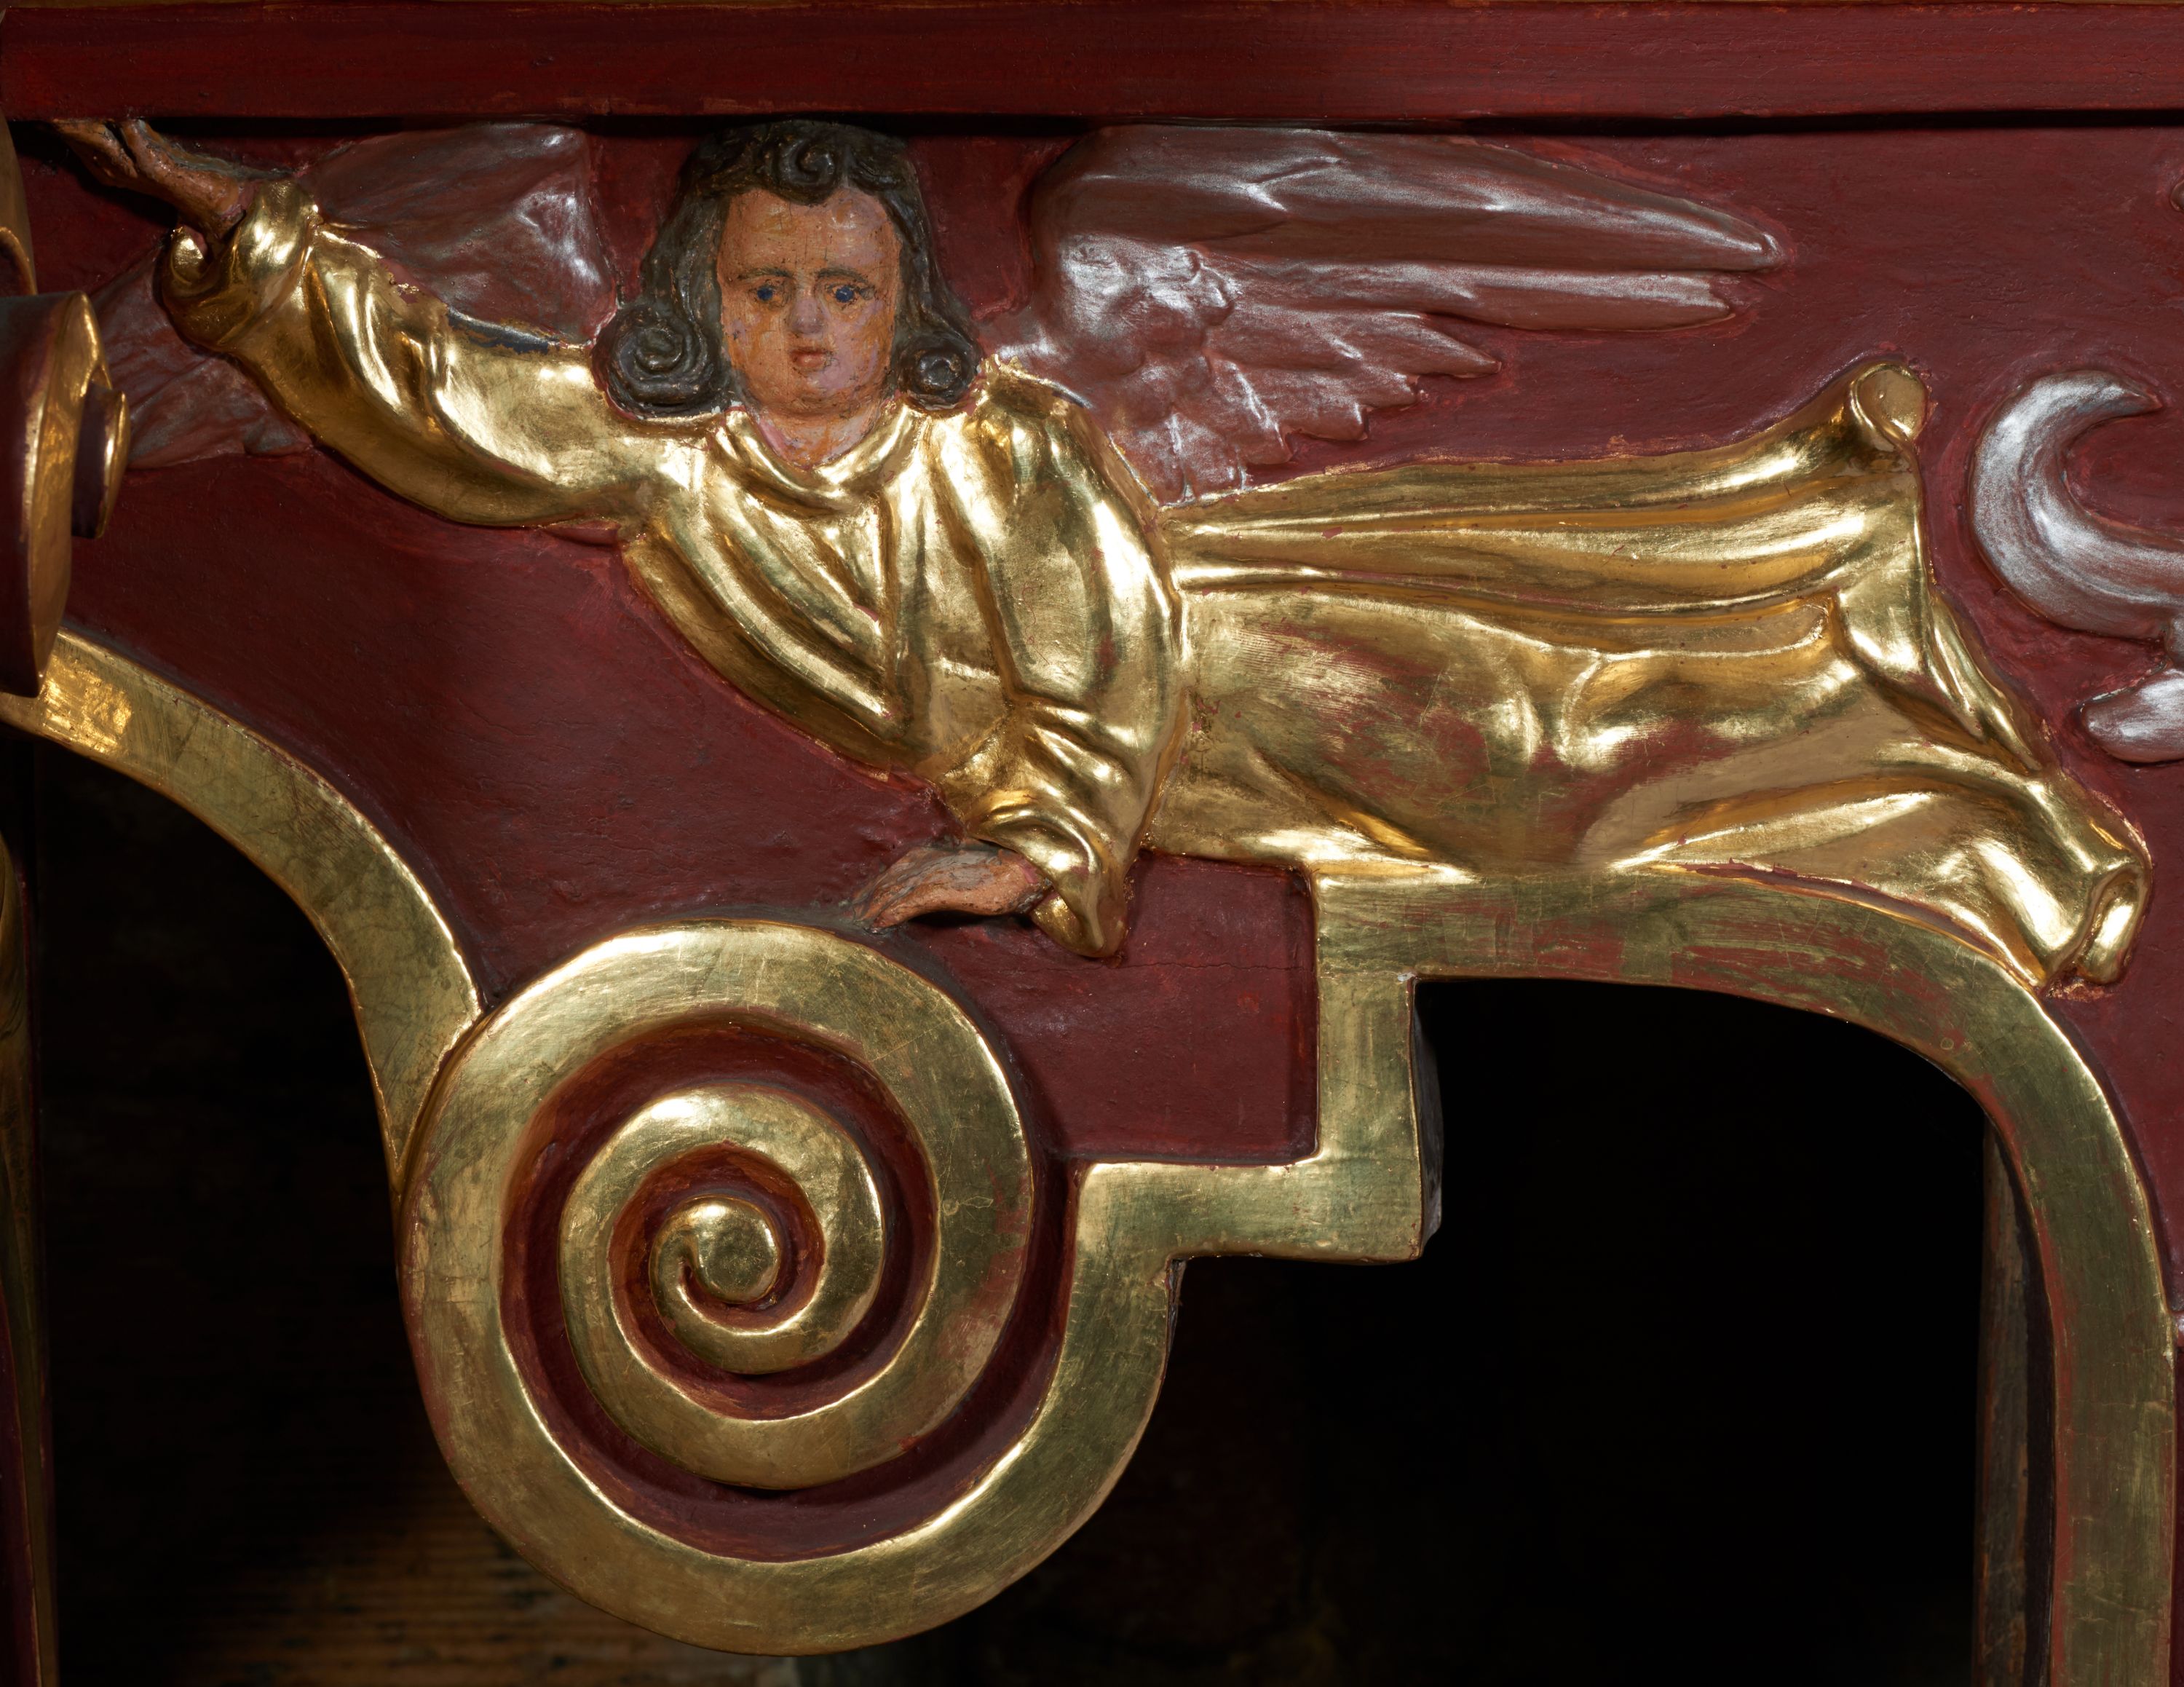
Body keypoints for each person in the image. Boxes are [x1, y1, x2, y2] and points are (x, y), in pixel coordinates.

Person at [57, 117, 2148, 984]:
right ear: (705, 302)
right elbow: (444, 400)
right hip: (1190, 766)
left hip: (1252, 674)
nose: (809, 330)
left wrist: (1041, 845)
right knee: (1573, 805)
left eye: (847, 292)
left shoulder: (1009, 448)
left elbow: (1095, 654)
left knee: (1561, 759)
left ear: (907, 304)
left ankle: (1937, 768)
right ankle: (1905, 750)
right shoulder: (665, 466)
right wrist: (252, 243)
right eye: (768, 292)